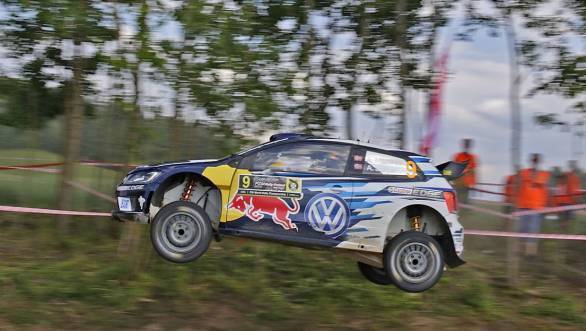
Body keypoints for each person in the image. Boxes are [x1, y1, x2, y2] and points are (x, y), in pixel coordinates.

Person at [516, 154, 549, 256]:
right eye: (534, 160)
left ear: (539, 161)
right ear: (531, 161)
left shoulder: (544, 174)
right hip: (523, 205)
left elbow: (546, 191)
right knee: (522, 228)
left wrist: (545, 207)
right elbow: (519, 185)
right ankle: (519, 251)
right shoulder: (524, 172)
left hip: (536, 207)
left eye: (536, 160)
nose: (535, 162)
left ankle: (530, 254)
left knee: (533, 230)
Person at [552, 160, 581, 231]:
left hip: (568, 202)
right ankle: (562, 228)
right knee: (565, 218)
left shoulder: (574, 178)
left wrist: (576, 199)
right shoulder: (568, 176)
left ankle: (563, 228)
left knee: (567, 219)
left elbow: (575, 190)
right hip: (565, 202)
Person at [452, 139, 478, 204]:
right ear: (463, 145)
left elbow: (473, 172)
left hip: (467, 185)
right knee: (457, 202)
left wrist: (473, 184)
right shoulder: (457, 156)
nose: (466, 147)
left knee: (465, 202)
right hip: (458, 184)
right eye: (465, 145)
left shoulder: (472, 157)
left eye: (468, 145)